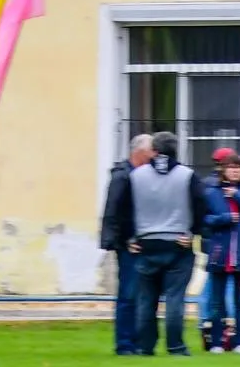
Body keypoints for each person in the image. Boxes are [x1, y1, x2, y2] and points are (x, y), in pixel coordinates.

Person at [129, 131, 205, 356]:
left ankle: (145, 346)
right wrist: (193, 232)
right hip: (177, 243)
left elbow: (125, 208)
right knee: (174, 298)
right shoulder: (187, 175)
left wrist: (130, 236)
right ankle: (175, 346)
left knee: (146, 300)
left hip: (146, 242)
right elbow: (200, 206)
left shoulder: (136, 175)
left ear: (154, 150)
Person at [199, 149, 240, 353]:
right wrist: (224, 218)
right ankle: (217, 342)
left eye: (238, 168)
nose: (235, 172)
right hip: (220, 253)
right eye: (230, 168)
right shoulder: (212, 193)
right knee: (216, 303)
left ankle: (238, 342)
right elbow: (204, 221)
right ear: (223, 170)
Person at [102, 134, 154, 356]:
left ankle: (138, 342)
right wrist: (123, 242)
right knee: (128, 295)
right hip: (129, 246)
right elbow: (113, 213)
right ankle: (125, 344)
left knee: (143, 295)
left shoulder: (143, 176)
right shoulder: (123, 177)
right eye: (152, 150)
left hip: (144, 244)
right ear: (140, 152)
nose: (155, 155)